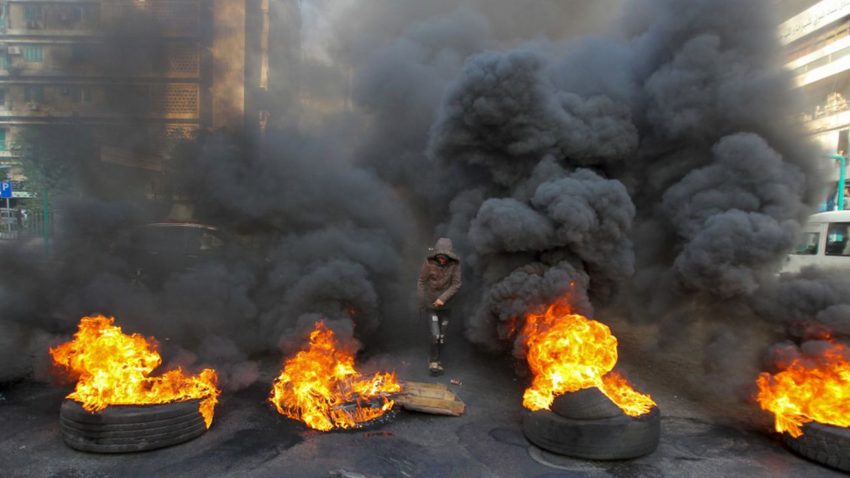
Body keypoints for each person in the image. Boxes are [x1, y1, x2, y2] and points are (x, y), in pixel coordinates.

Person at [417, 237, 462, 376]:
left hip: (447, 305)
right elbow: (421, 281)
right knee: (435, 335)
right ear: (436, 254)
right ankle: (433, 361)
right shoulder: (429, 263)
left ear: (449, 256)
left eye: (445, 257)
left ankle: (439, 360)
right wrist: (422, 300)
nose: (442, 260)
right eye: (440, 257)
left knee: (442, 336)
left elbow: (456, 284)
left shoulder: (455, 265)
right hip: (431, 305)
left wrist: (442, 299)